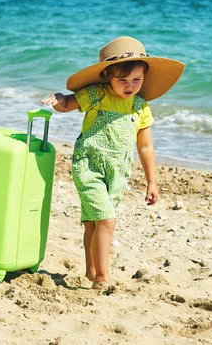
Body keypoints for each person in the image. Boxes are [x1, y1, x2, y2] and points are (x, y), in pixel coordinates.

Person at [40, 36, 185, 288]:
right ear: (108, 76)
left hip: (118, 171)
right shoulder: (96, 94)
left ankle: (91, 272)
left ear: (144, 77)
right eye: (123, 80)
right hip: (89, 165)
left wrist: (152, 181)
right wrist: (58, 98)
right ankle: (103, 279)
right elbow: (67, 105)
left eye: (136, 80)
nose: (130, 86)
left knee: (93, 223)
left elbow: (145, 145)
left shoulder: (140, 106)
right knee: (106, 220)